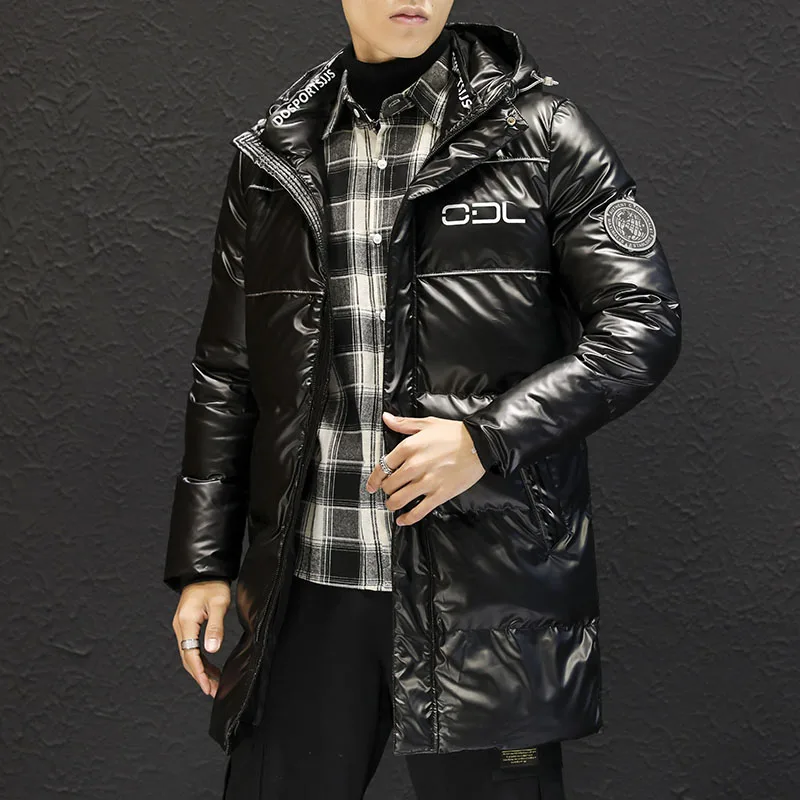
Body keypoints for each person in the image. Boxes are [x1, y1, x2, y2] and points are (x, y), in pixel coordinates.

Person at [163, 1, 683, 798]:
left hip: (485, 595)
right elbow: (227, 372)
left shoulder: (541, 132)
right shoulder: (277, 154)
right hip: (310, 583)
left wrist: (485, 439)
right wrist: (205, 564)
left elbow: (643, 322)